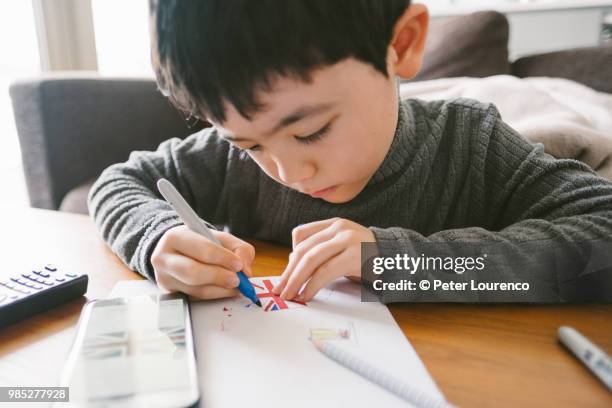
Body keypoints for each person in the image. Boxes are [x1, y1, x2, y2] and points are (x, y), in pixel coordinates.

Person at [88, 0, 612, 303]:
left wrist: (406, 263)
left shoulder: (469, 146)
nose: (288, 172)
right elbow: (119, 183)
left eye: (312, 131)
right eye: (248, 143)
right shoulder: (231, 160)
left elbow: (601, 243)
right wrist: (158, 237)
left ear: (402, 45)